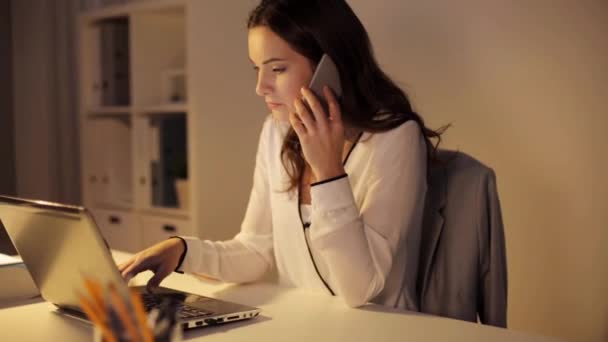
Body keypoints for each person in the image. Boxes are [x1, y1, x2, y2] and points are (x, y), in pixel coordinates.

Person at [119, 0, 447, 310]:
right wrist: (183, 251)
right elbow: (255, 250)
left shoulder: (395, 139)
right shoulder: (277, 132)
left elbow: (360, 289)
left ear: (331, 68)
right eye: (256, 69)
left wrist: (329, 171)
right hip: (304, 326)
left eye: (277, 69)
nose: (260, 87)